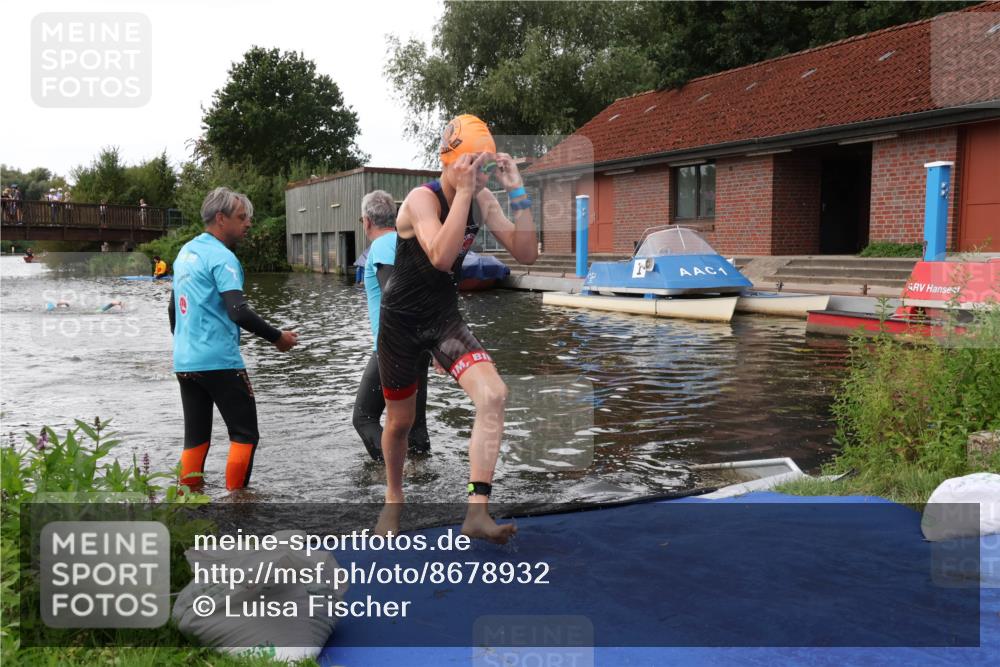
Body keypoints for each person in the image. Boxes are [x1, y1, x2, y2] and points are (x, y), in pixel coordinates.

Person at [376, 114, 537, 543]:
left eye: (484, 166)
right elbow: (442, 258)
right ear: (448, 162)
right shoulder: (419, 199)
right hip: (401, 322)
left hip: (443, 317)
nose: (479, 174)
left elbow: (527, 253)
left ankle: (476, 511)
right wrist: (465, 192)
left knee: (495, 394)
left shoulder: (482, 197)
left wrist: (515, 188)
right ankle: (394, 497)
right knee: (400, 422)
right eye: (472, 165)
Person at [169, 186, 299, 491]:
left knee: (196, 438)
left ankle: (189, 501)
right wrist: (277, 337)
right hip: (220, 362)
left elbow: (173, 310)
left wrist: (184, 345)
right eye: (242, 217)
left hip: (185, 362)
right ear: (220, 218)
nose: (248, 223)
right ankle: (237, 505)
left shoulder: (185, 254)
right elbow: (238, 311)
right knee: (244, 436)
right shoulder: (222, 258)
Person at [353, 190, 432, 461]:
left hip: (393, 348)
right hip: (420, 344)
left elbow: (395, 296)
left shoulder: (383, 244)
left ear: (366, 222)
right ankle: (423, 478)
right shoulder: (412, 242)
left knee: (364, 418)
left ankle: (392, 473)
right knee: (415, 425)